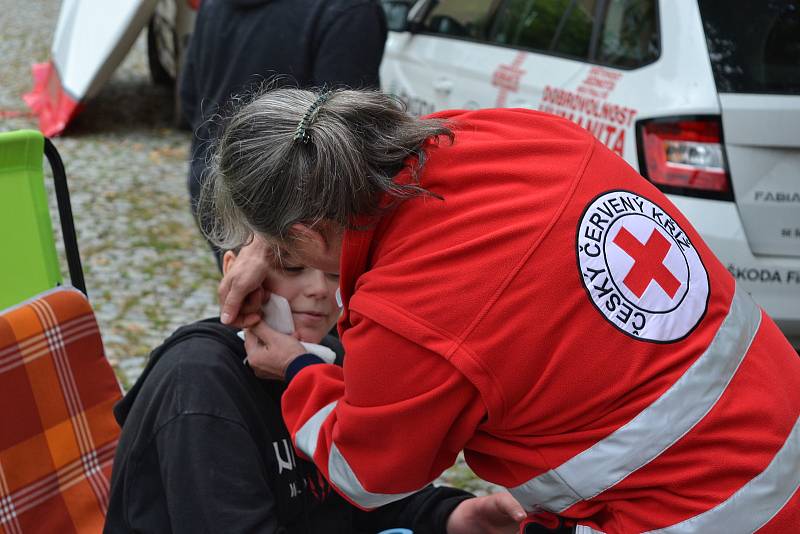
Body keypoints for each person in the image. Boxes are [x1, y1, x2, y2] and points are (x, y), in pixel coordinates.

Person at [202, 87, 800, 532]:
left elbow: (366, 473)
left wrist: (302, 369)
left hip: (718, 512)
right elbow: (318, 148)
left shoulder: (411, 312)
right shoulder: (504, 132)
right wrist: (263, 242)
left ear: (306, 231)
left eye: (285, 249)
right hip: (781, 426)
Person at [104, 245, 525, 533]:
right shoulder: (199, 387)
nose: (320, 289)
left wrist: (456, 516)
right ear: (235, 271)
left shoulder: (328, 356)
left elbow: (365, 491)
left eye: (334, 271)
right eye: (291, 266)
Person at [179, 0, 387, 265]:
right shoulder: (348, 9)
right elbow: (350, 138)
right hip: (294, 214)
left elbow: (189, 96)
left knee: (257, 300)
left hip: (217, 186)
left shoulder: (212, 4)